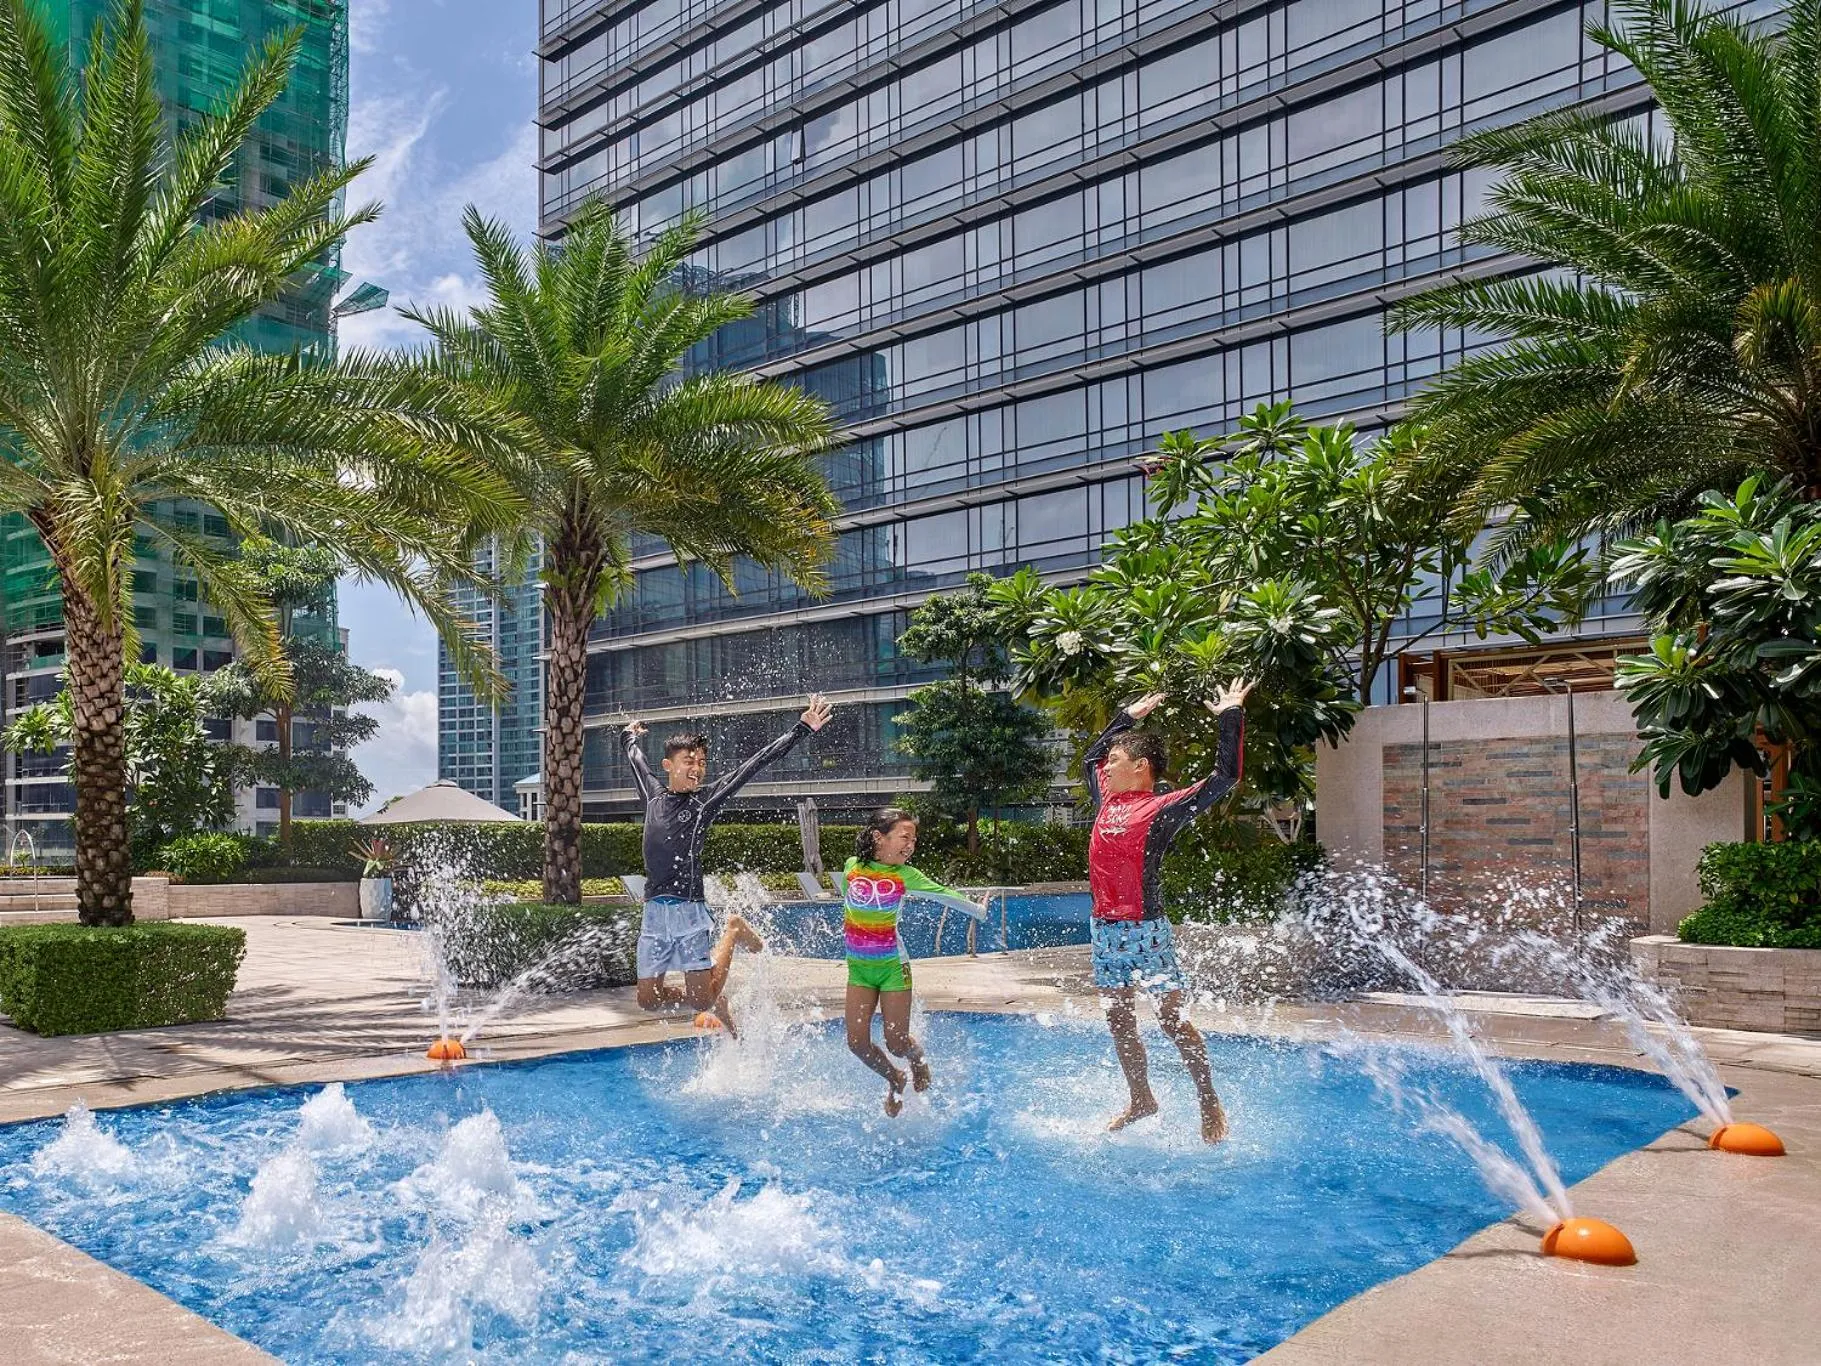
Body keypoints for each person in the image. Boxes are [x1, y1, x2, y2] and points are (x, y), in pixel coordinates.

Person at [1083, 680, 1250, 1143]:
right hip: (1104, 932)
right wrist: (1127, 716)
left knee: (1172, 1020)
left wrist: (1230, 714)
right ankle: (1141, 1098)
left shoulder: (1162, 808)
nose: (1106, 766)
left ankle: (1208, 1100)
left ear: (1140, 767)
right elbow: (1089, 757)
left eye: (1115, 761)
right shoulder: (1107, 799)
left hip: (1146, 932)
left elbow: (1225, 778)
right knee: (1118, 1019)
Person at [623, 694, 834, 1033]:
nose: (696, 768)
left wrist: (801, 729)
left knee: (700, 1000)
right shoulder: (653, 796)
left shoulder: (705, 801)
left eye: (702, 762)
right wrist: (629, 735)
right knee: (648, 1000)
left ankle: (733, 930)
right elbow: (634, 757)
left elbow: (754, 764)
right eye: (689, 760)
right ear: (668, 765)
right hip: (654, 912)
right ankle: (713, 998)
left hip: (688, 908)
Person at [840, 808, 988, 1116]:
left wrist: (979, 909)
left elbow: (942, 893)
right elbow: (849, 905)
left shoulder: (906, 875)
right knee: (856, 1043)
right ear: (878, 837)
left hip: (893, 967)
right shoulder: (852, 867)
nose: (911, 845)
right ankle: (894, 1077)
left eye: (914, 840)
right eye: (905, 837)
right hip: (859, 971)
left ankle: (917, 1058)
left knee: (896, 1043)